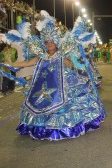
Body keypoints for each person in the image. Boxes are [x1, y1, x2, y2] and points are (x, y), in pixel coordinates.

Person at [5, 11, 106, 140]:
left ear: (56, 42)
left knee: (68, 104)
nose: (49, 44)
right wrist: (11, 63)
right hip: (43, 88)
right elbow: (27, 63)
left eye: (52, 42)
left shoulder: (62, 54)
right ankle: (42, 126)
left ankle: (64, 126)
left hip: (64, 84)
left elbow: (71, 65)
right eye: (47, 43)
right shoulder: (42, 56)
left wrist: (66, 61)